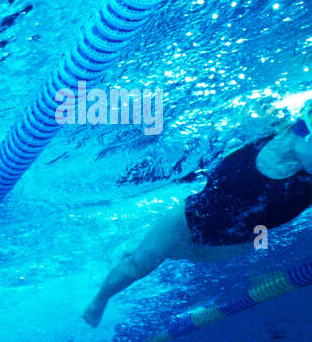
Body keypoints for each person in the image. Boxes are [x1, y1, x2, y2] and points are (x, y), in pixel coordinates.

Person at [84, 108, 312, 327]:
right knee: (139, 265)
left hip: (232, 244)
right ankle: (99, 300)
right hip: (190, 219)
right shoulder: (269, 127)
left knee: (164, 251)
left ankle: (147, 242)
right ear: (304, 133)